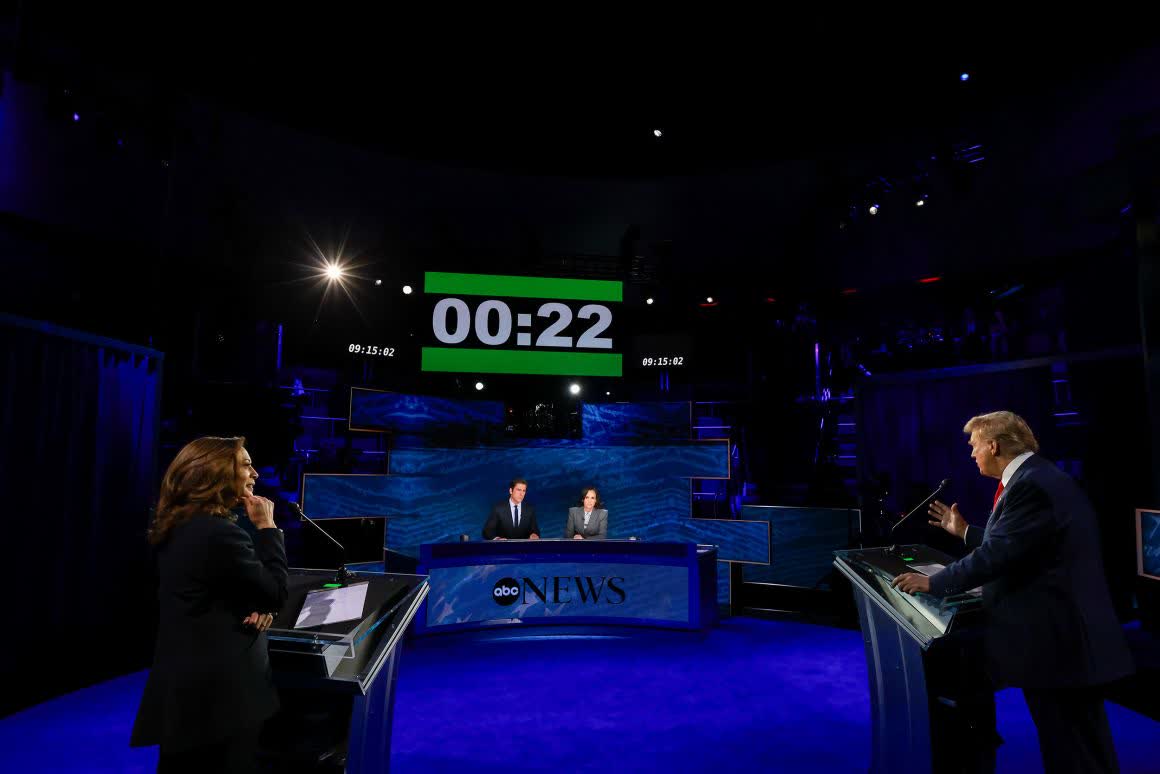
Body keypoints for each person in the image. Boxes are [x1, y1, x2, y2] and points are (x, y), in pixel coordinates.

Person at [893, 412, 1132, 774]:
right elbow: (1021, 542)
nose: (972, 455)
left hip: (1057, 644)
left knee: (1071, 748)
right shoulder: (1038, 477)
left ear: (994, 444)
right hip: (1066, 639)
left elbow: (998, 555)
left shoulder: (1030, 486)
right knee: (1082, 744)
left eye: (974, 446)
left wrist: (934, 582)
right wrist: (966, 532)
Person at [130, 437, 289, 773]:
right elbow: (275, 592)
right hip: (223, 699)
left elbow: (213, 591)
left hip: (185, 692)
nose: (255, 473)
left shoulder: (177, 525)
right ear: (216, 473)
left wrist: (259, 604)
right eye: (246, 464)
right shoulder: (221, 534)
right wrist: (267, 528)